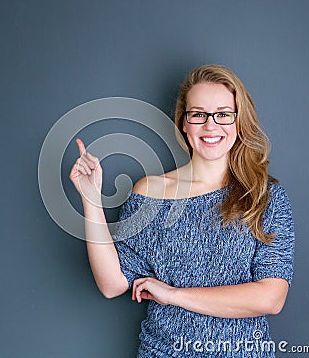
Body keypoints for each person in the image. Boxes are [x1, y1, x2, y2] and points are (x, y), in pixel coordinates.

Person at [69, 64, 295, 357]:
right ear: (183, 124)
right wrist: (91, 200)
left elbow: (271, 297)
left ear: (240, 122)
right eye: (198, 114)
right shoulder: (150, 193)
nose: (210, 125)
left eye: (223, 114)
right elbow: (112, 284)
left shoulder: (265, 197)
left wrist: (175, 295)